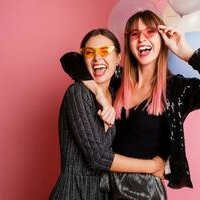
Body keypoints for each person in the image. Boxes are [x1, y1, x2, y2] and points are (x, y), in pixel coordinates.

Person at [63, 10, 200, 200]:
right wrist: (98, 93)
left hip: (143, 190)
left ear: (162, 39)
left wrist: (186, 52)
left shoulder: (176, 89)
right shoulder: (117, 80)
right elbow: (71, 60)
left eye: (150, 32)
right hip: (106, 187)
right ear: (129, 44)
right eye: (135, 34)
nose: (142, 38)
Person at [49, 28, 165, 200]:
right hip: (73, 192)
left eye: (105, 51)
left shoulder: (116, 92)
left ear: (118, 57)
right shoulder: (77, 93)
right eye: (90, 52)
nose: (97, 58)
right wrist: (153, 166)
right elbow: (98, 158)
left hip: (104, 193)